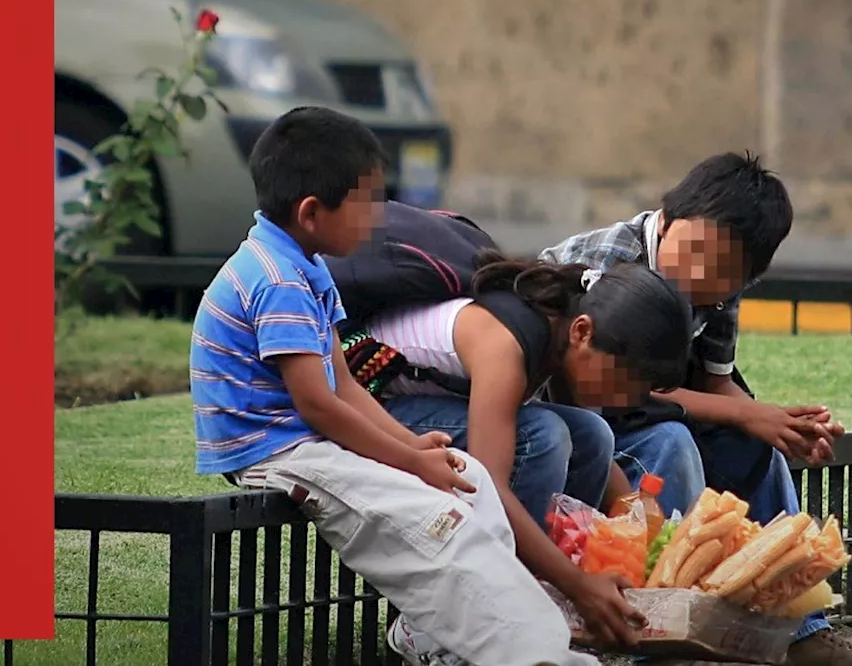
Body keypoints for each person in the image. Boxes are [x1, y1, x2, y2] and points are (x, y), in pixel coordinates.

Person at [189, 106, 598, 666]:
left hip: (303, 436)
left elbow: (347, 386)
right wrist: (408, 465)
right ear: (312, 213)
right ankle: (530, 657)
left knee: (470, 479)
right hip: (274, 447)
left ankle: (444, 639)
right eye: (367, 203)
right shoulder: (277, 279)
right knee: (434, 522)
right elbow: (320, 407)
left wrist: (414, 450)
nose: (378, 218)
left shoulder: (304, 266)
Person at [540, 151, 852, 666]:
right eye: (696, 251)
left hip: (641, 406)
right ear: (665, 221)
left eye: (727, 272)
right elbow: (620, 387)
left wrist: (781, 424)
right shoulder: (607, 265)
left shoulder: (720, 286)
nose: (702, 275)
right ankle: (673, 637)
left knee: (756, 441)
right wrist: (745, 413)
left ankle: (800, 631)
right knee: (673, 443)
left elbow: (717, 383)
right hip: (586, 417)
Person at [373, 254, 693, 648]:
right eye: (627, 380)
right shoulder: (505, 343)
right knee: (541, 437)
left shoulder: (559, 337)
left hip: (427, 407)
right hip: (373, 409)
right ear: (582, 332)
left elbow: (594, 449)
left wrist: (631, 509)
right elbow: (489, 487)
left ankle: (553, 606)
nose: (627, 399)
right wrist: (580, 586)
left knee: (593, 433)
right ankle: (434, 625)